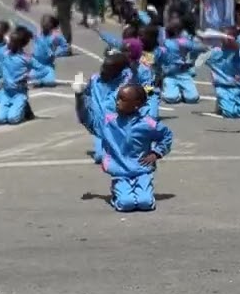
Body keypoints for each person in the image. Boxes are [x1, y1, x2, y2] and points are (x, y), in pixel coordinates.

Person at [92, 83, 173, 212]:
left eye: (122, 99)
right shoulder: (109, 121)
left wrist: (156, 153)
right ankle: (117, 192)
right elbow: (88, 118)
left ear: (136, 105)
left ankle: (142, 189)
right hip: (120, 170)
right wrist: (79, 96)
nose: (117, 102)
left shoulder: (147, 123)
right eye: (117, 98)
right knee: (126, 204)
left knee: (145, 203)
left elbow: (166, 135)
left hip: (142, 169)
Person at [74, 52, 132, 165]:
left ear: (118, 71)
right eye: (103, 67)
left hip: (118, 125)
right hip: (98, 122)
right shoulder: (95, 80)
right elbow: (85, 99)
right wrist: (79, 93)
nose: (103, 71)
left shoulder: (126, 84)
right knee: (101, 157)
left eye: (108, 69)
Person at [0, 27, 36, 125]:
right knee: (0, 119)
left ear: (18, 45)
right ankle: (17, 107)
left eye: (11, 42)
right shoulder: (5, 54)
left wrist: (29, 77)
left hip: (19, 93)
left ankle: (25, 109)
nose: (8, 43)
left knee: (13, 119)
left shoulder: (26, 58)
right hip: (7, 93)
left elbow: (38, 70)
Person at [205, 29, 240, 118]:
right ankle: (222, 103)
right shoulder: (215, 52)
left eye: (231, 37)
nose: (228, 39)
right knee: (229, 113)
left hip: (238, 87)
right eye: (225, 37)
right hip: (222, 87)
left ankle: (224, 103)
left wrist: (234, 44)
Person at [17, 15, 69, 87]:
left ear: (51, 24)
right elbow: (26, 30)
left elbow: (65, 47)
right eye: (42, 22)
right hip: (35, 65)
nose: (44, 24)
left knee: (50, 83)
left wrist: (56, 53)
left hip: (47, 65)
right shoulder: (37, 34)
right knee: (33, 82)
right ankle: (29, 76)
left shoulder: (56, 36)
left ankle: (41, 78)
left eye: (46, 22)